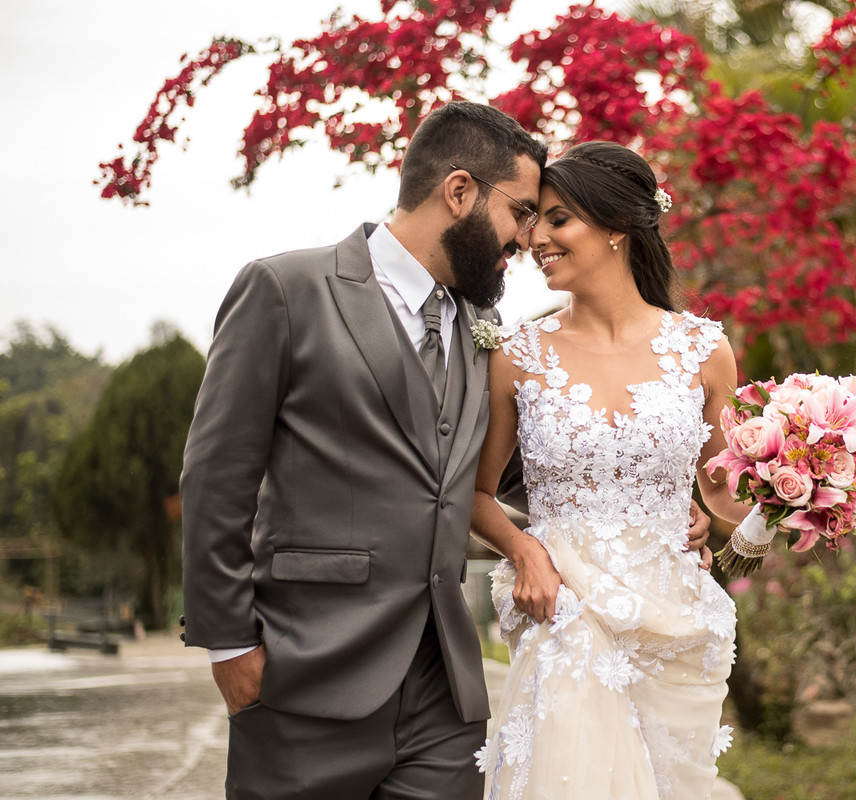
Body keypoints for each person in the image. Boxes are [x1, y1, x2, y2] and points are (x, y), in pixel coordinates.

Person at [178, 101, 547, 799]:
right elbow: (215, 476)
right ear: (460, 191)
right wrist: (230, 646)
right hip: (305, 673)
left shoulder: (484, 323)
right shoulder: (286, 290)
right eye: (522, 212)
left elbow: (516, 468)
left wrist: (661, 505)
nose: (526, 239)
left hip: (446, 695)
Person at [471, 141, 755, 799]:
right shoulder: (518, 357)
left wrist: (800, 484)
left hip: (674, 626)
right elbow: (475, 495)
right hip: (565, 612)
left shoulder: (706, 353)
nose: (534, 236)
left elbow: (725, 497)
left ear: (618, 229)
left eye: (557, 219)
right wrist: (526, 552)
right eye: (534, 219)